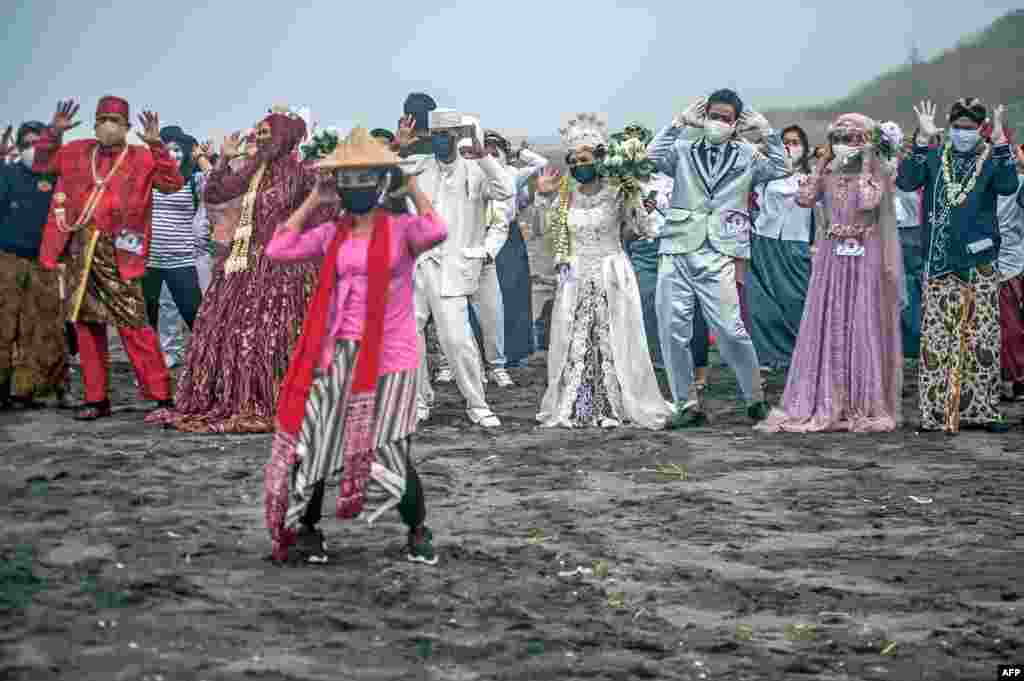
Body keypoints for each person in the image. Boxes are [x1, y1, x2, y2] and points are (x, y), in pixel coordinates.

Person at [264, 127, 446, 566]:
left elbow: (437, 230)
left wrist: (412, 184)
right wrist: (313, 199)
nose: (354, 186)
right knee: (314, 445)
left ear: (381, 183)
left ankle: (418, 531)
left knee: (390, 449)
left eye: (364, 177)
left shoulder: (403, 231)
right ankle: (308, 531)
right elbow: (277, 248)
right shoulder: (332, 234)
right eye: (346, 179)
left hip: (390, 357)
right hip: (336, 355)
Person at [151, 106, 338, 433]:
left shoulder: (303, 173)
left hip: (286, 270)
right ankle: (237, 397)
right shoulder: (252, 168)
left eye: (267, 133)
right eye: (259, 133)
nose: (260, 138)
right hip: (242, 265)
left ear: (285, 136)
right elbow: (214, 193)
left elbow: (329, 206)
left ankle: (284, 397)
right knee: (234, 333)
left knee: (274, 335)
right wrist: (222, 161)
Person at [32, 97, 182, 420]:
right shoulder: (76, 152)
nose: (107, 125)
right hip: (80, 250)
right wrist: (53, 133)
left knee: (135, 324)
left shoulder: (141, 157)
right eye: (102, 119)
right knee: (86, 325)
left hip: (120, 253)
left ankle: (162, 397)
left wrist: (157, 145)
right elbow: (42, 164)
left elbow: (172, 184)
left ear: (126, 127)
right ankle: (97, 399)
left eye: (114, 119)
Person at [756, 113, 904, 433]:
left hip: (864, 258)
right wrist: (820, 167)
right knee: (829, 319)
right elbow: (804, 198)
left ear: (865, 143)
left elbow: (868, 201)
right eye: (837, 140)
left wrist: (866, 163)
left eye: (850, 140)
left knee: (859, 323)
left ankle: (858, 399)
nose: (841, 146)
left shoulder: (877, 174)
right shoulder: (829, 173)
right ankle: (826, 392)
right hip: (832, 258)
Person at [648, 90, 787, 428]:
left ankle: (755, 400)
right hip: (679, 245)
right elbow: (651, 157)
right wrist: (678, 123)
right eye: (714, 116)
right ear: (704, 116)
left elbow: (782, 167)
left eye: (726, 118)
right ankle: (687, 405)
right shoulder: (682, 149)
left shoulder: (747, 154)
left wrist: (766, 130)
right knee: (672, 328)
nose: (718, 123)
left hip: (721, 249)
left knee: (731, 328)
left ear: (735, 122)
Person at [534, 112, 674, 429]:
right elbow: (546, 233)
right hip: (573, 273)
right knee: (573, 334)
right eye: (572, 160)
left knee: (614, 335)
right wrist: (543, 196)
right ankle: (580, 401)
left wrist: (634, 193)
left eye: (582, 158)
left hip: (612, 271)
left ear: (599, 158)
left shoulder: (616, 192)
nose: (576, 165)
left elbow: (645, 228)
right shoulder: (564, 197)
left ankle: (617, 401)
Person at [897, 99, 1019, 433]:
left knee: (981, 337)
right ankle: (935, 412)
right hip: (939, 261)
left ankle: (982, 411)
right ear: (948, 127)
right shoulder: (936, 157)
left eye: (969, 128)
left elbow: (1009, 185)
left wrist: (1001, 141)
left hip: (979, 261)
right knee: (937, 338)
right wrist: (921, 139)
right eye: (957, 127)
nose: (962, 133)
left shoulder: (992, 159)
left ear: (980, 129)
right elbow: (906, 182)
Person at [408, 107, 513, 428]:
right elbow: (382, 177)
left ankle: (477, 403)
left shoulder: (476, 169)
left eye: (446, 136)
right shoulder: (417, 169)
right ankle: (419, 402)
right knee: (409, 337)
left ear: (456, 136)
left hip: (454, 268)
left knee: (457, 339)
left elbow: (505, 191)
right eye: (435, 135)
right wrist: (399, 145)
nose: (440, 141)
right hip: (419, 265)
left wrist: (483, 158)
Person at [0, 121, 65, 408]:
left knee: (41, 325)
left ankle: (29, 390)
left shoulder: (55, 177)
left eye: (37, 143)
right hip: (8, 259)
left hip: (44, 261)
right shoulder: (7, 174)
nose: (32, 149)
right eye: (26, 143)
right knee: (4, 325)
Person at [744, 124, 815, 370]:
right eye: (786, 142)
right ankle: (769, 356)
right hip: (764, 242)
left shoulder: (813, 175)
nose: (790, 146)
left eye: (796, 142)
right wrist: (767, 147)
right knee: (763, 306)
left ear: (805, 148)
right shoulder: (766, 174)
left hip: (796, 245)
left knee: (797, 300)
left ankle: (801, 354)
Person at [144, 125, 204, 369]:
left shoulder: (193, 181)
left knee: (194, 314)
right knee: (152, 314)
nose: (173, 155)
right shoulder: (147, 181)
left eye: (178, 150)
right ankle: (163, 356)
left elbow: (217, 185)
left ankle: (208, 358)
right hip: (150, 261)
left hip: (183, 259)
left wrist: (201, 158)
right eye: (167, 150)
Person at [996, 141, 1024, 400]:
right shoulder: (981, 182)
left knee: (1012, 327)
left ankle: (1015, 378)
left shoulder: (1020, 182)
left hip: (1011, 263)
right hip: (980, 262)